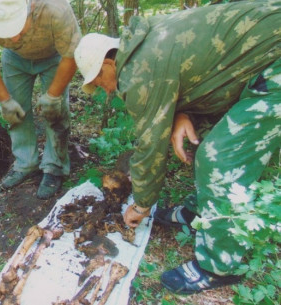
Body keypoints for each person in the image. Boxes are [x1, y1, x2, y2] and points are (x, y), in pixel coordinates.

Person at [74, 0, 280, 295]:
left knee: (219, 158)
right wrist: (182, 113)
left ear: (109, 63)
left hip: (274, 64)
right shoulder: (145, 39)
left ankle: (218, 266)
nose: (106, 90)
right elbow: (191, 71)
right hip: (258, 58)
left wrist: (142, 204)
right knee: (202, 136)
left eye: (100, 80)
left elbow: (150, 146)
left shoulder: (137, 73)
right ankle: (200, 213)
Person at [0, 0, 81, 199]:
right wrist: (5, 100)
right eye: (5, 30)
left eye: (17, 27)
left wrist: (53, 95)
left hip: (54, 55)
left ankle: (54, 166)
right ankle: (25, 163)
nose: (14, 37)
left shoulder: (55, 8)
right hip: (14, 59)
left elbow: (71, 55)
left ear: (31, 8)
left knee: (56, 112)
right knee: (16, 112)